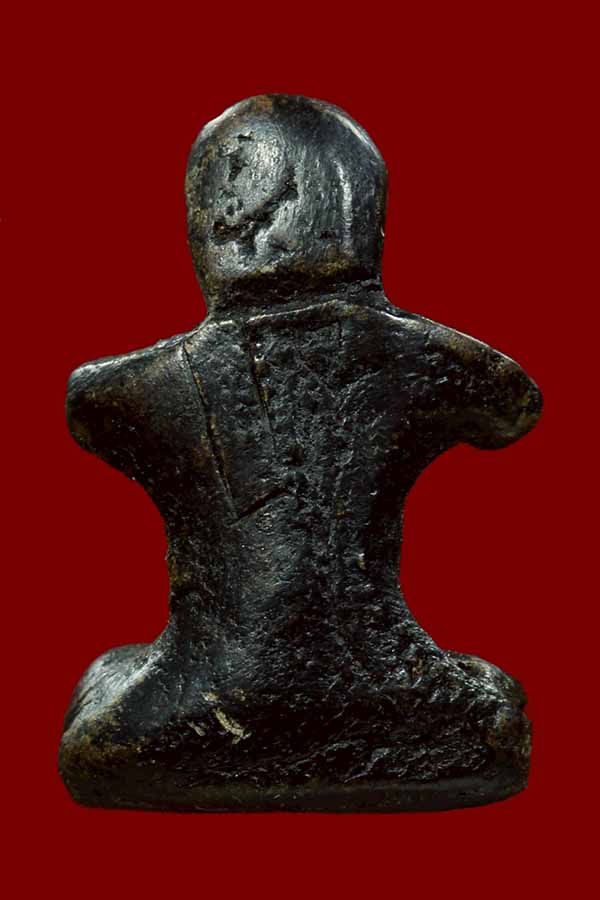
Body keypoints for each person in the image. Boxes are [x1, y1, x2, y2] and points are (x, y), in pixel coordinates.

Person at [60, 95, 542, 812]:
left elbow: (87, 404)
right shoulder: (421, 355)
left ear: (220, 222)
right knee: (493, 712)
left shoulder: (123, 390)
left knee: (102, 710)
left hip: (195, 705)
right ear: (361, 214)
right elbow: (513, 409)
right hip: (388, 692)